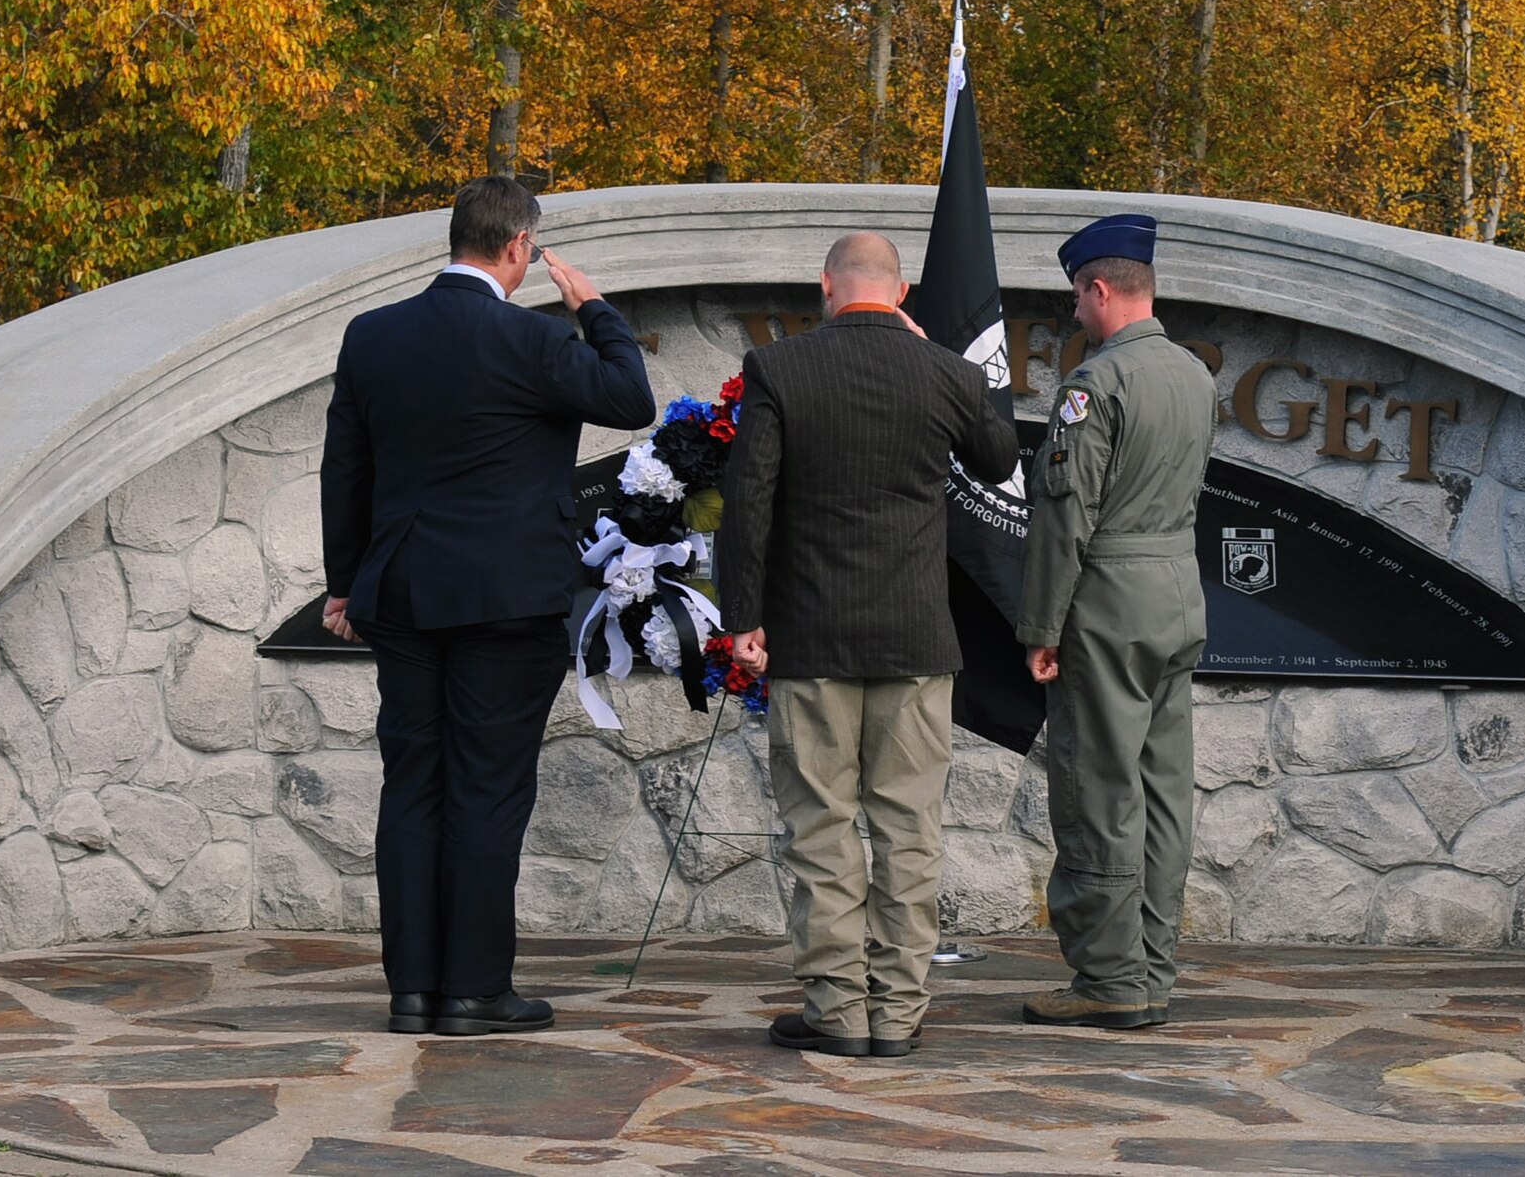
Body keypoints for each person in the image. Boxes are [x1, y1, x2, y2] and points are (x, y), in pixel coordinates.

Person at [319, 176, 654, 1036]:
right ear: (518, 250)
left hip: (404, 593)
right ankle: (473, 988)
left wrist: (344, 581)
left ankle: (412, 989)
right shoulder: (531, 340)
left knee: (415, 783)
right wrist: (596, 308)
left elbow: (345, 470)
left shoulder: (374, 335)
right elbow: (630, 397)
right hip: (508, 598)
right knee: (488, 789)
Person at [716, 232, 1019, 1059]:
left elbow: (749, 506)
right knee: (909, 830)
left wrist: (742, 617)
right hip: (917, 641)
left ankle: (838, 1010)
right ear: (903, 292)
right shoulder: (946, 372)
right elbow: (1000, 459)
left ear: (825, 285)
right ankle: (899, 1014)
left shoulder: (781, 369)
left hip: (811, 637)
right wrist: (941, 360)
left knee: (820, 827)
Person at [1017, 213, 1215, 1030]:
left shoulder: (1092, 387)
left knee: (1098, 786)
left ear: (1100, 289)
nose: (1073, 313)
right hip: (1177, 592)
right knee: (1165, 791)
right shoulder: (1196, 376)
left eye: (1076, 296)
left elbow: (1067, 517)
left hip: (1107, 602)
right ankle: (1155, 966)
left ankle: (1108, 976)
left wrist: (1041, 625)